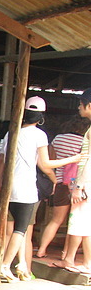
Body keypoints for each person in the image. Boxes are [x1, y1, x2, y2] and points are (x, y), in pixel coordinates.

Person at [0, 96, 80, 282]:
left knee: (8, 229)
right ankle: (5, 265)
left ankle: (18, 265)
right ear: (41, 117)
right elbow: (45, 164)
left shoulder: (11, 132)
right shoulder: (39, 135)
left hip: (9, 186)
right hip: (26, 187)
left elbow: (2, 161)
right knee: (21, 229)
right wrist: (73, 159)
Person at [35, 115, 89, 259]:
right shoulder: (84, 141)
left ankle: (41, 249)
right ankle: (66, 254)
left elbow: (50, 160)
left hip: (59, 182)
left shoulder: (58, 139)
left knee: (56, 220)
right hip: (77, 185)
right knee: (74, 222)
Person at [53, 88, 91, 273]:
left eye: (80, 104)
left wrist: (79, 186)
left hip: (86, 184)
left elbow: (89, 160)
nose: (78, 107)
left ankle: (75, 260)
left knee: (78, 221)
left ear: (89, 105)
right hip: (86, 182)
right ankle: (80, 261)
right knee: (84, 223)